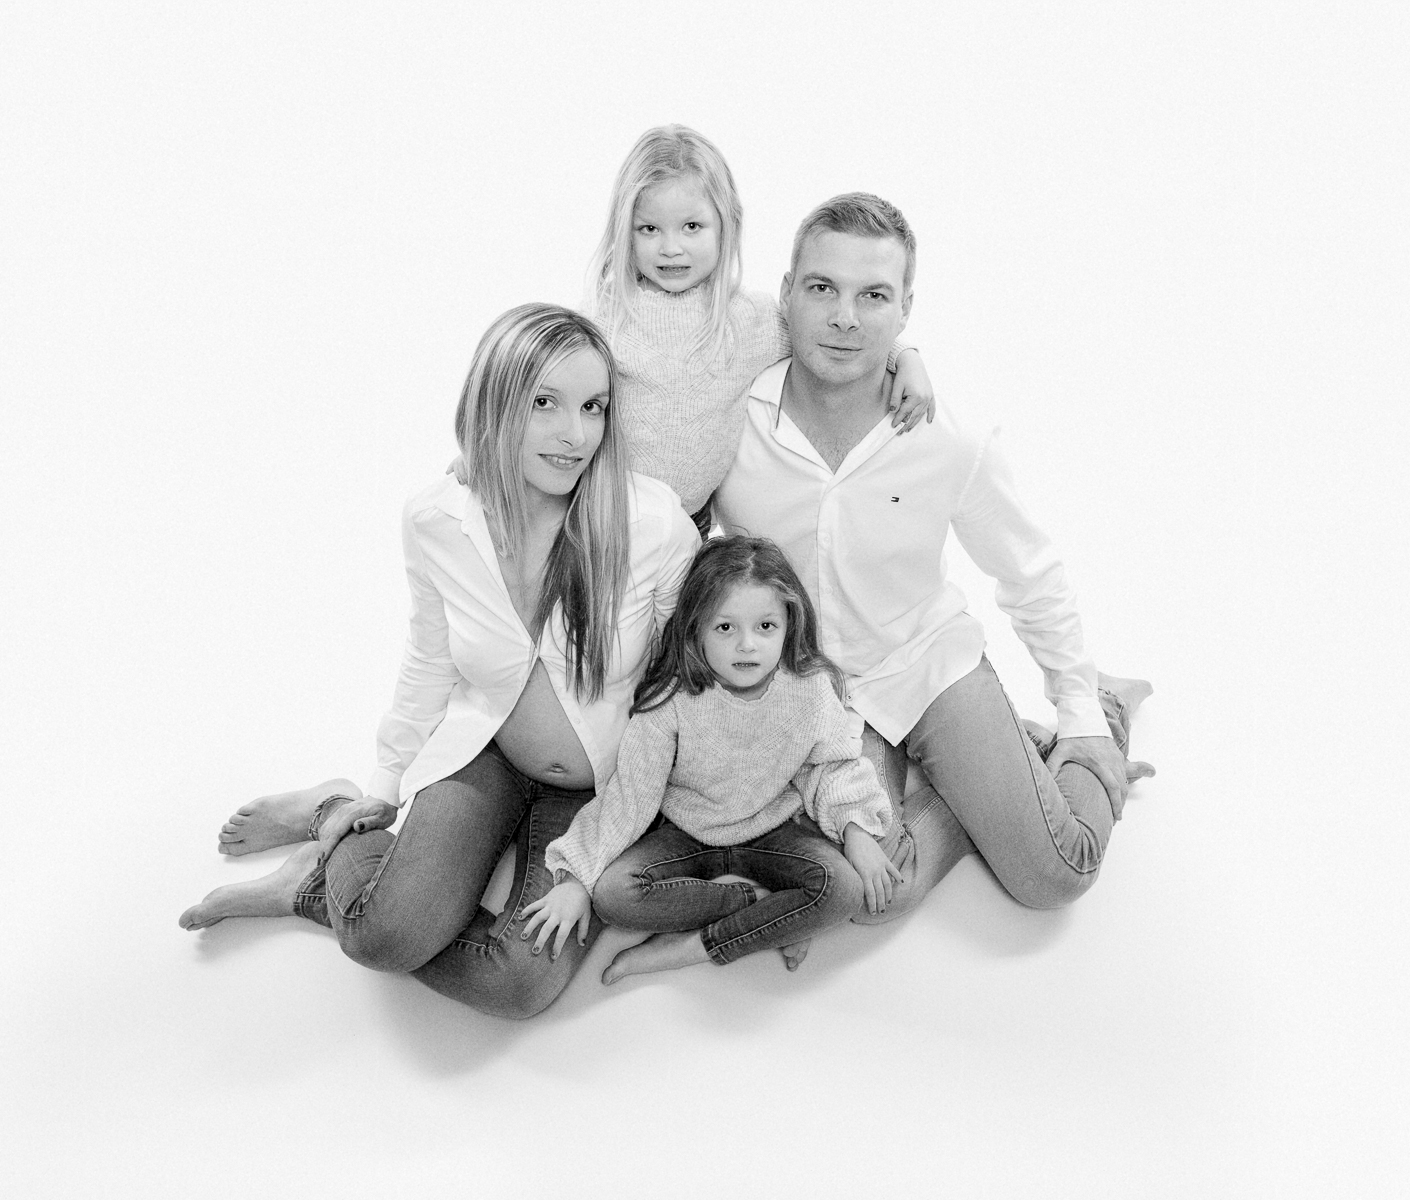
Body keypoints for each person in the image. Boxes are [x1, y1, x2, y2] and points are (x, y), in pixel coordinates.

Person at [180, 304, 700, 1019]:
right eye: (543, 403)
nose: (574, 434)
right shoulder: (437, 520)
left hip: (597, 790)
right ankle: (333, 818)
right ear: (494, 402)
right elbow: (428, 657)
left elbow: (686, 682)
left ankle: (311, 889)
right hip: (487, 753)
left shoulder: (652, 524)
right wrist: (384, 781)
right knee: (384, 936)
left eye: (593, 407)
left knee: (518, 985)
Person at [713, 193, 1155, 923]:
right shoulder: (733, 420)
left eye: (874, 296)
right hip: (809, 690)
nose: (845, 318)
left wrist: (1077, 713)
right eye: (822, 288)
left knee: (1056, 874)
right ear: (786, 294)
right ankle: (987, 774)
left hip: (925, 662)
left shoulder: (948, 439)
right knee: (868, 893)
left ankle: (1100, 713)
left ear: (906, 308)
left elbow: (1028, 572)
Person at [519, 536, 898, 984]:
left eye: (765, 627)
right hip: (685, 834)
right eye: (725, 628)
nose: (747, 646)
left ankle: (689, 948)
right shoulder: (673, 698)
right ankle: (762, 907)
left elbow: (831, 765)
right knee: (614, 896)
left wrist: (855, 829)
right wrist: (575, 880)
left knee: (844, 889)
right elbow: (630, 797)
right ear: (696, 627)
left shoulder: (808, 687)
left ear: (789, 624)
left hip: (772, 831)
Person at [588, 124, 938, 530]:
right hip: (605, 516)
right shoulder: (606, 317)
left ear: (726, 226)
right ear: (625, 230)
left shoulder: (748, 319)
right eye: (649, 229)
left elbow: (826, 333)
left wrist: (905, 356)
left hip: (691, 526)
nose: (671, 247)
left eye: (691, 227)